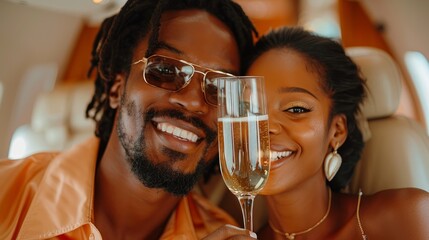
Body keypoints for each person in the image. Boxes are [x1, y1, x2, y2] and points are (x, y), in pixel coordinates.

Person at [0, 0, 259, 239]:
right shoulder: (6, 192)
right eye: (165, 70)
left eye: (220, 87)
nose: (193, 102)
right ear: (116, 88)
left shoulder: (220, 233)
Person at [244, 26, 429, 239]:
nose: (266, 126)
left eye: (296, 109)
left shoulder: (408, 217)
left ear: (337, 131)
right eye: (250, 109)